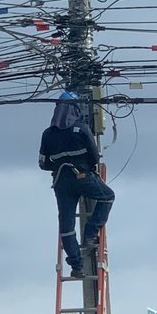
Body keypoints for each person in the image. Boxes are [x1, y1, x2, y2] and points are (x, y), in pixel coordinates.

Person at [38, 91, 114, 279]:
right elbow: (95, 157)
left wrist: (60, 166)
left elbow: (43, 163)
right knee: (107, 196)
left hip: (61, 182)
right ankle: (90, 233)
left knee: (67, 225)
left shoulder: (48, 134)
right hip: (82, 177)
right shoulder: (81, 129)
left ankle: (77, 266)